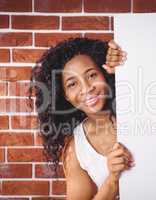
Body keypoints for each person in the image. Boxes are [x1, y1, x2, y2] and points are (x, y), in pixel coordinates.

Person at [29, 37, 135, 200]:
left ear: (104, 73)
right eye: (72, 84)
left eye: (92, 75)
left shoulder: (135, 109)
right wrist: (112, 181)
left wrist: (129, 60)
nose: (86, 88)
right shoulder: (76, 148)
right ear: (65, 96)